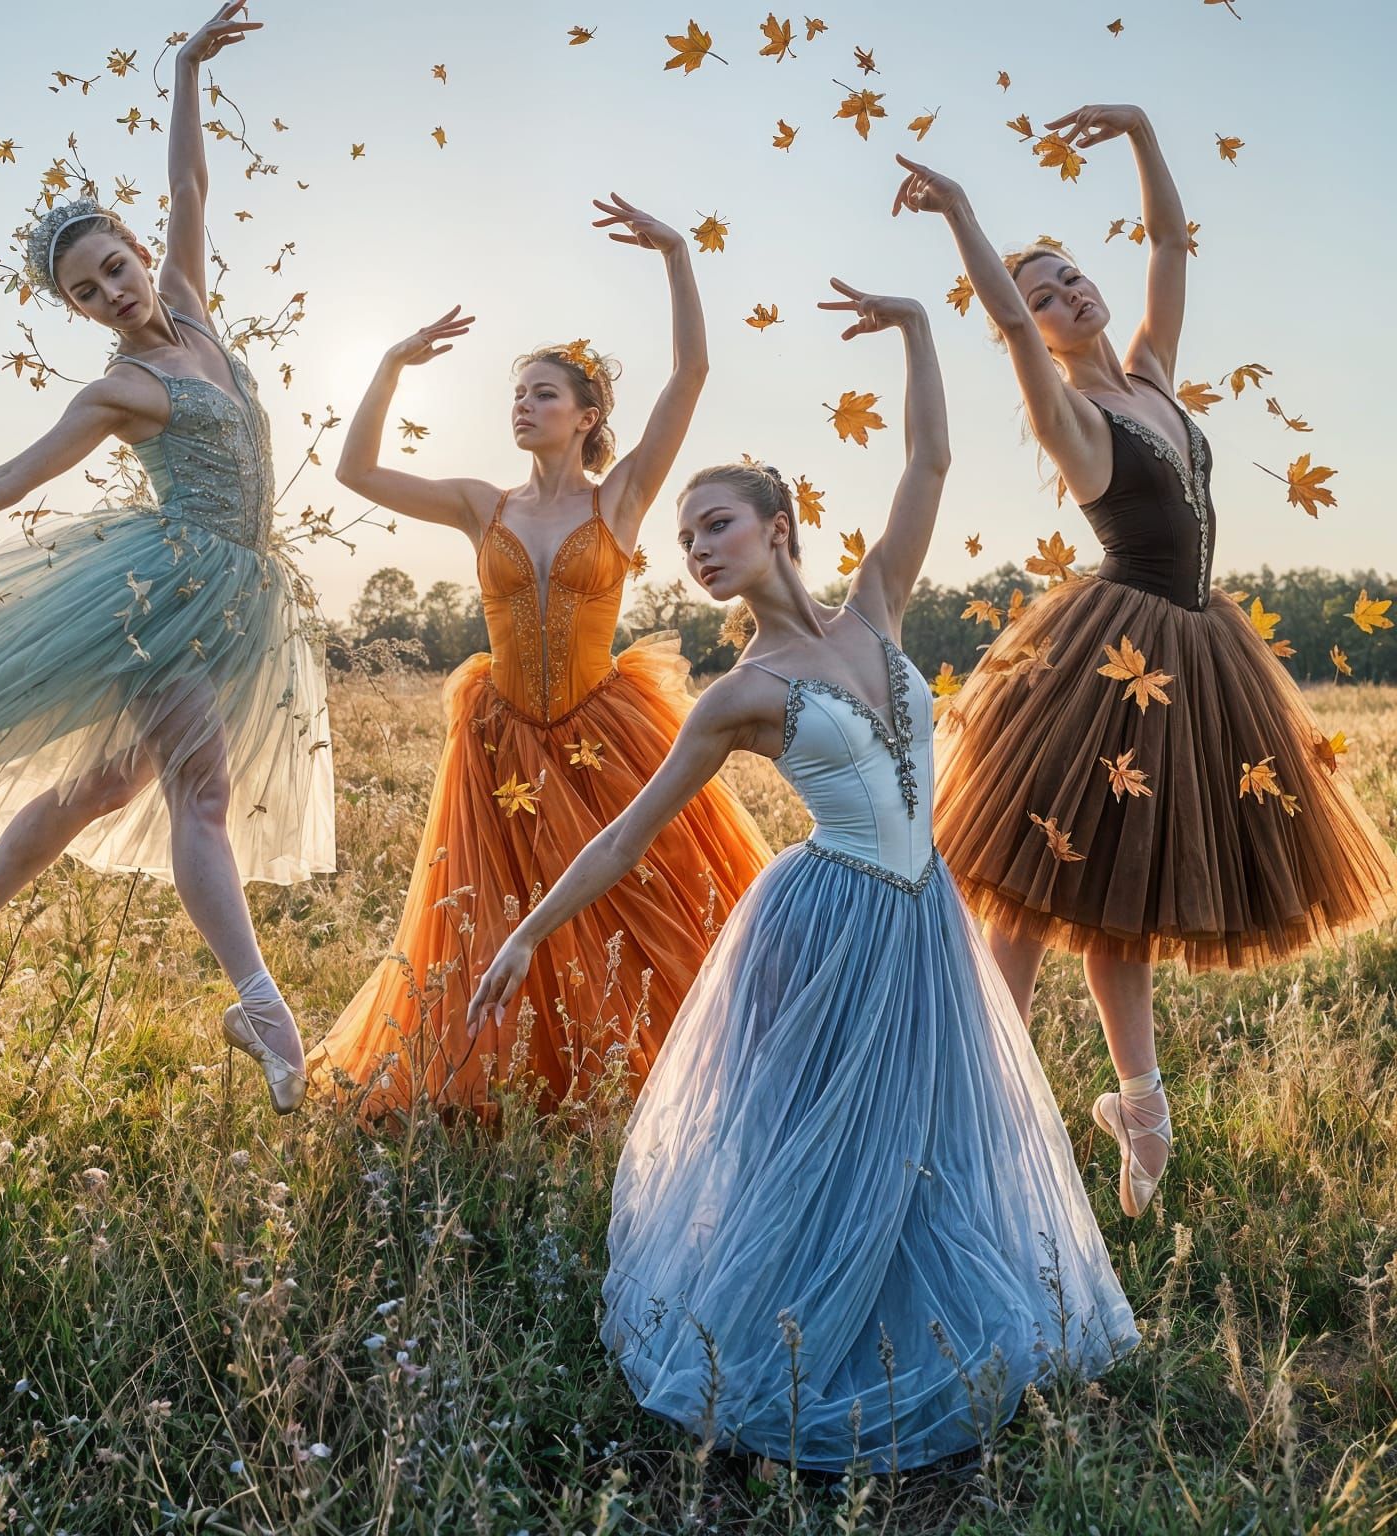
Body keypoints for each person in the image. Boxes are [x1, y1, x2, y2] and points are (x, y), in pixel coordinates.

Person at [466, 284, 1136, 1473]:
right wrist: (526, 932)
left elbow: (929, 459)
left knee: (932, 1132)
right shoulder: (739, 695)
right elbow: (622, 835)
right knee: (817, 1143)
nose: (696, 550)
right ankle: (777, 1354)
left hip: (926, 915)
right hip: (823, 925)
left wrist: (922, 332)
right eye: (683, 541)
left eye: (714, 524)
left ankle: (924, 1324)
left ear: (777, 525)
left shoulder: (877, 608)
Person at [891, 106, 1397, 1217]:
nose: (1068, 295)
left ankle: (1139, 1104)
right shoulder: (1071, 414)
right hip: (1108, 658)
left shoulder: (1156, 373)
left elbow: (1169, 245)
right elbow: (1019, 339)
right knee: (1030, 894)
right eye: (1042, 293)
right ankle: (972, 1122)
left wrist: (1139, 129)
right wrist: (966, 218)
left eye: (1071, 276)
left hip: (1200, 650)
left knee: (1122, 895)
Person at [0, 2, 331, 1114]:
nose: (116, 290)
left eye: (115, 266)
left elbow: (190, 191)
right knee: (199, 795)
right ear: (75, 311)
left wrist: (183, 69)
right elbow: (7, 481)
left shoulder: (201, 321)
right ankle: (260, 1002)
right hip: (156, 593)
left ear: (130, 248)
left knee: (107, 779)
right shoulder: (120, 388)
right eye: (88, 291)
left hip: (241, 599)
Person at [308, 196, 771, 1115]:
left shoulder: (624, 499)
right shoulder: (485, 505)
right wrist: (392, 365)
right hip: (499, 736)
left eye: (541, 393)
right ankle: (506, 1080)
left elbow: (693, 373)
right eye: (515, 395)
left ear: (586, 413)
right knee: (488, 910)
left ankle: (673, 1080)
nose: (522, 406)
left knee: (641, 900)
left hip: (608, 727)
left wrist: (677, 254)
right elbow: (355, 472)